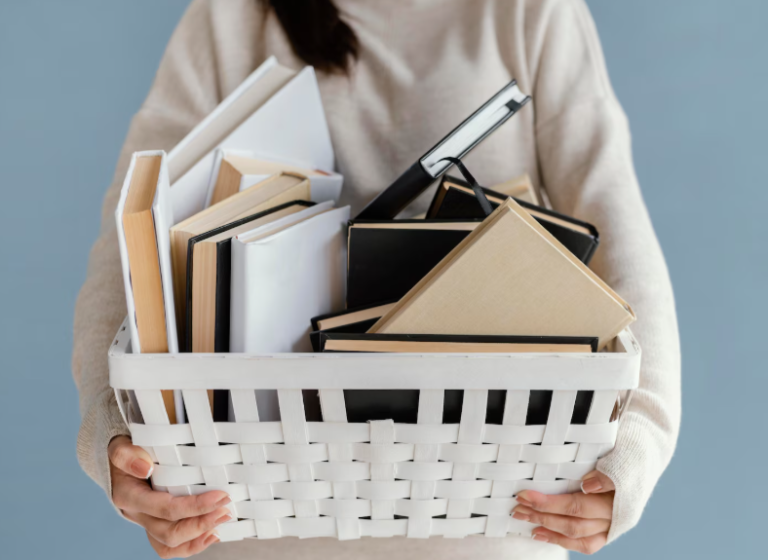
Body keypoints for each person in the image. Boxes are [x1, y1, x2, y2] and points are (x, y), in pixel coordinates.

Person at [73, 0, 681, 558]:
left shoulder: (529, 11)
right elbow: (129, 240)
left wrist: (640, 443)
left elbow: (621, 237)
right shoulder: (231, 16)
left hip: (491, 524)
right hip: (259, 524)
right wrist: (114, 427)